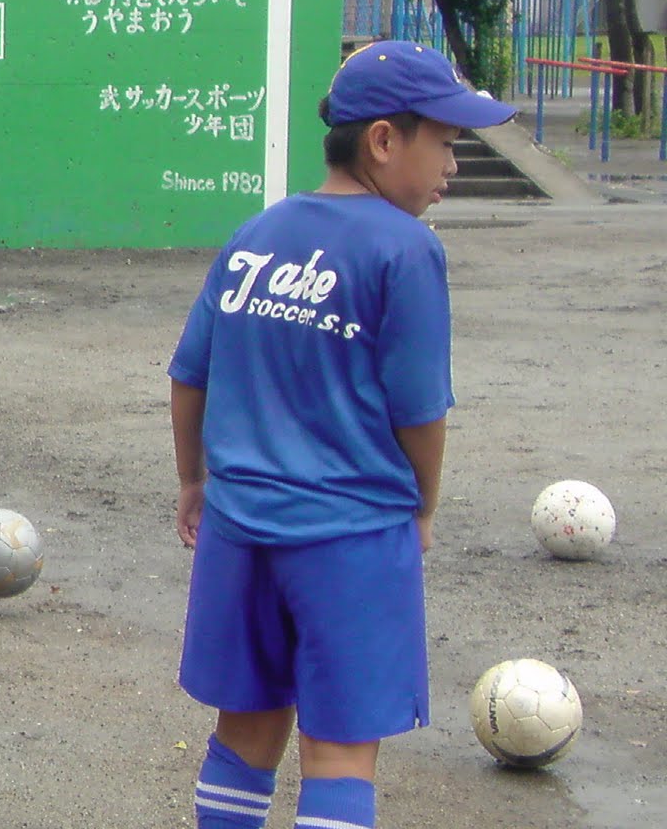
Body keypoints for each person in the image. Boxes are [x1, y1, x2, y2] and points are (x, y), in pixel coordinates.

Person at [167, 43, 515, 829]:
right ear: (384, 141)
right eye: (447, 142)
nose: (453, 166)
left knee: (247, 731)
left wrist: (194, 480)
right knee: (341, 749)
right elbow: (419, 410)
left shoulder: (256, 233)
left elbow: (190, 373)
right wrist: (422, 506)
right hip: (350, 533)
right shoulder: (405, 247)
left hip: (241, 526)